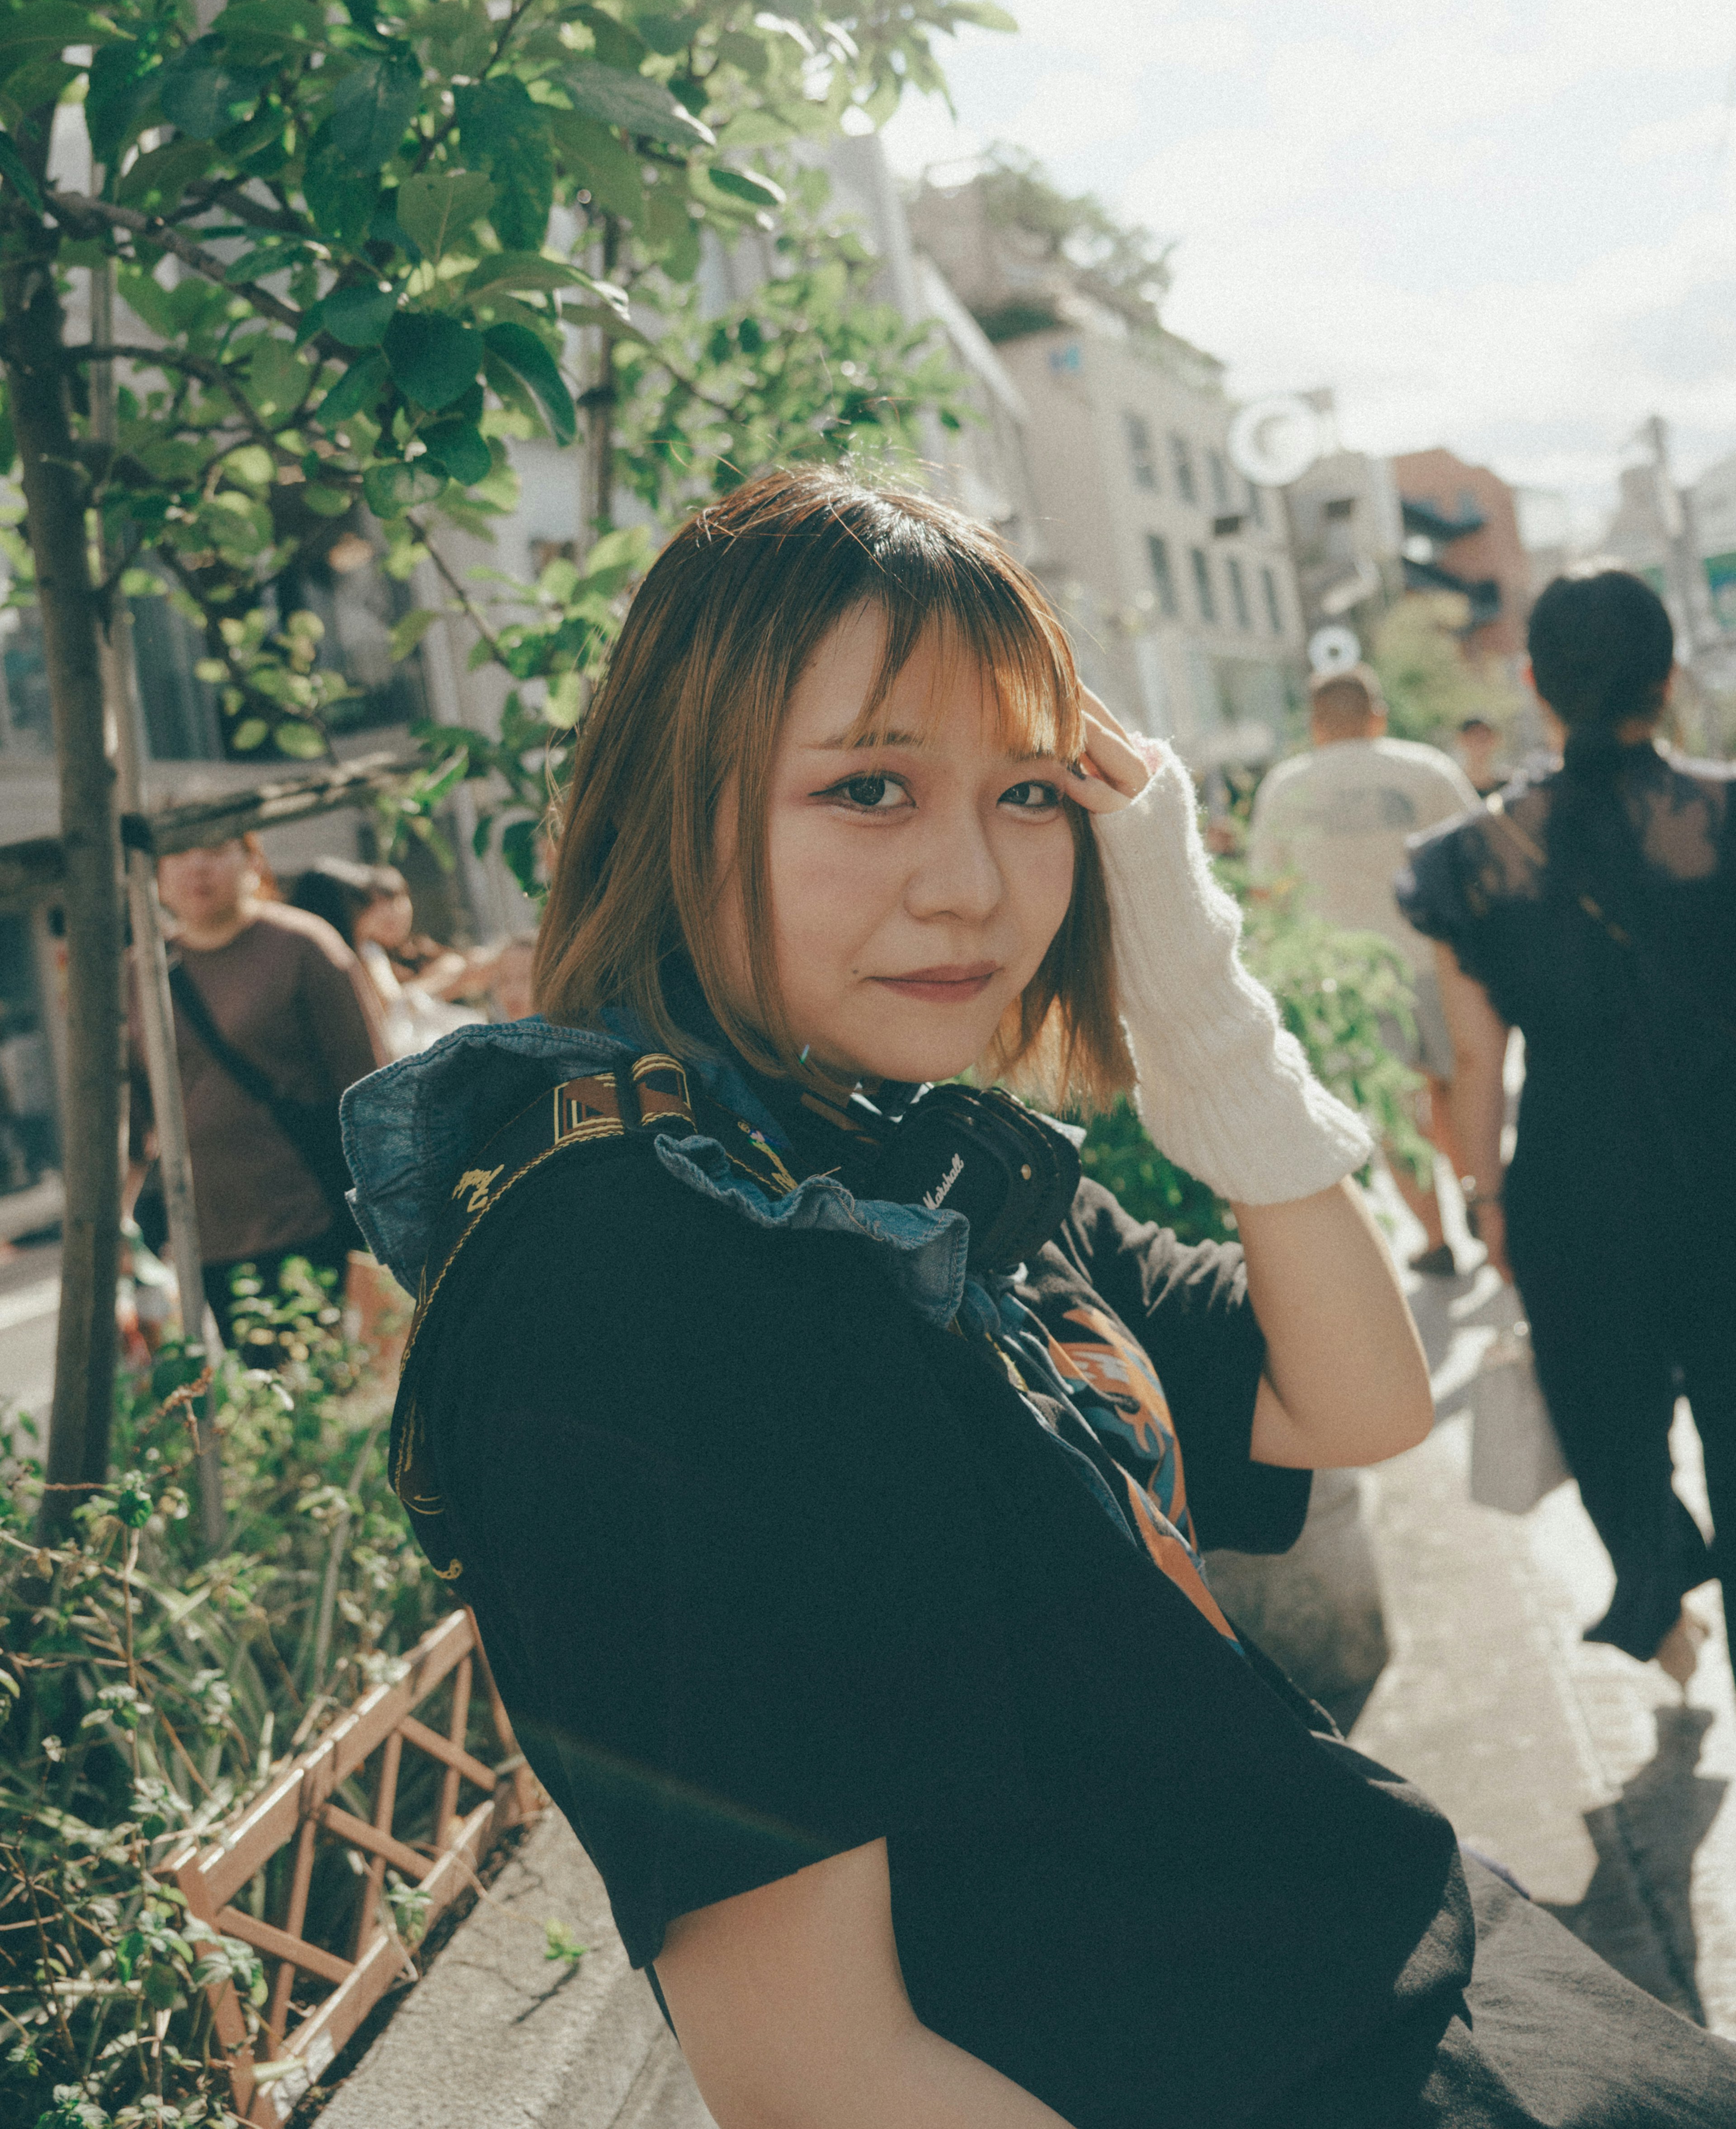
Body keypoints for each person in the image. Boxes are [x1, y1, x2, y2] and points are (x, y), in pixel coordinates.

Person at [343, 475, 1736, 2129]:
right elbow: (820, 2074)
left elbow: (1351, 1397)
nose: (973, 883)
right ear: (684, 804)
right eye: (870, 787)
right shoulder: (632, 1275)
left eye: (1027, 793)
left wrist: (1194, 984)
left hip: (1420, 1986)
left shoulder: (887, 1147)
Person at [1399, 567, 1735, 1692]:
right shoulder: (1725, 814)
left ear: (1533, 683)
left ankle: (1655, 1583)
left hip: (1574, 1188)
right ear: (1668, 675)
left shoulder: (1469, 861)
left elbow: (1475, 1055)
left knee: (1605, 1424)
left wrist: (1482, 1199)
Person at [1248, 665, 1479, 1275]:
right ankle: (1482, 1197)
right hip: (1442, 959)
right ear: (1377, 715)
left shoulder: (1288, 784)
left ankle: (1435, 1238)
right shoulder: (1427, 768)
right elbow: (1480, 855)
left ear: (1316, 724)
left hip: (1350, 978)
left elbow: (1266, 891)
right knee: (1459, 1086)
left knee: (1396, 1107)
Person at [140, 837, 385, 1350]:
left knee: (325, 1382)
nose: (197, 865)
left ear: (251, 860)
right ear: (156, 874)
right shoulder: (141, 971)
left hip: (308, 1213)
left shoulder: (302, 945)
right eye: (179, 853)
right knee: (257, 1389)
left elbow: (369, 1085)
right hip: (207, 1232)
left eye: (215, 847)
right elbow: (137, 1119)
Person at [290, 858, 477, 1058]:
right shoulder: (323, 959)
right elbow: (391, 1005)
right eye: (362, 904)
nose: (374, 913)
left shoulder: (368, 948)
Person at [1454, 713, 1507, 795]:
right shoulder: (1454, 785)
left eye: (1485, 736)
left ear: (1496, 740)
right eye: (1473, 736)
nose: (1479, 742)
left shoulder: (1508, 786)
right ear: (1461, 740)